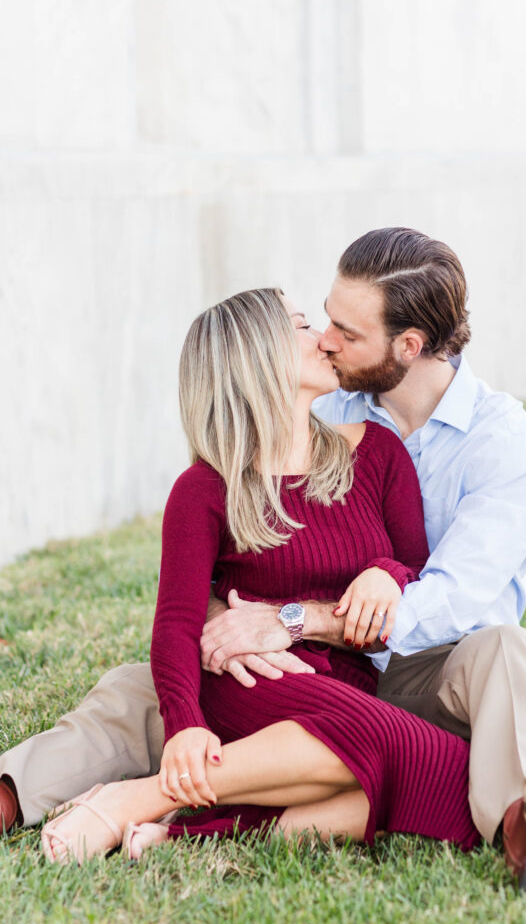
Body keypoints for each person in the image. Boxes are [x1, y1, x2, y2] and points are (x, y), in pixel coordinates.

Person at [1, 228, 526, 887]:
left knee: (506, 650)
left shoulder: (501, 445)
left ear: (405, 347)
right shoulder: (319, 410)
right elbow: (191, 592)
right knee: (138, 689)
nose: (325, 338)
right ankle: (15, 796)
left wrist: (307, 613)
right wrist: (228, 630)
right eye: (318, 319)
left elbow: (448, 596)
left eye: (345, 332)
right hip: (274, 678)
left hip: (429, 676)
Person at [39, 287, 480, 863]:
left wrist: (387, 574)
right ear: (258, 356)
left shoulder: (377, 453)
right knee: (416, 757)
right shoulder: (203, 490)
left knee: (443, 776)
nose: (324, 338)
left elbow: (414, 567)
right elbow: (175, 622)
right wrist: (185, 729)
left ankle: (177, 824)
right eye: (302, 326)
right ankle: (135, 801)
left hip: (347, 682)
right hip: (252, 686)